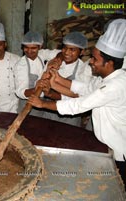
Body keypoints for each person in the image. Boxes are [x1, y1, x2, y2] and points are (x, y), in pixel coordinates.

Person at [28, 19, 126, 188]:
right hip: (104, 144)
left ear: (108, 63)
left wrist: (42, 104)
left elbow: (78, 105)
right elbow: (86, 88)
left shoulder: (115, 86)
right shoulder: (108, 78)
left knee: (117, 188)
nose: (92, 62)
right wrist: (57, 79)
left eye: (95, 59)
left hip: (118, 152)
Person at [41, 31, 91, 127]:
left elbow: (77, 95)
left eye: (72, 49)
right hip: (49, 111)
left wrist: (50, 92)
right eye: (65, 48)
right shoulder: (54, 62)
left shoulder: (84, 69)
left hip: (70, 116)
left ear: (82, 52)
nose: (67, 52)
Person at [14, 31, 60, 113]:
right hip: (27, 104)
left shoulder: (41, 54)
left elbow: (58, 53)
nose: (29, 51)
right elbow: (20, 92)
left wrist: (55, 61)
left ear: (40, 47)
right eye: (26, 47)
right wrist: (35, 88)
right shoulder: (21, 65)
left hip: (42, 102)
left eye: (33, 48)